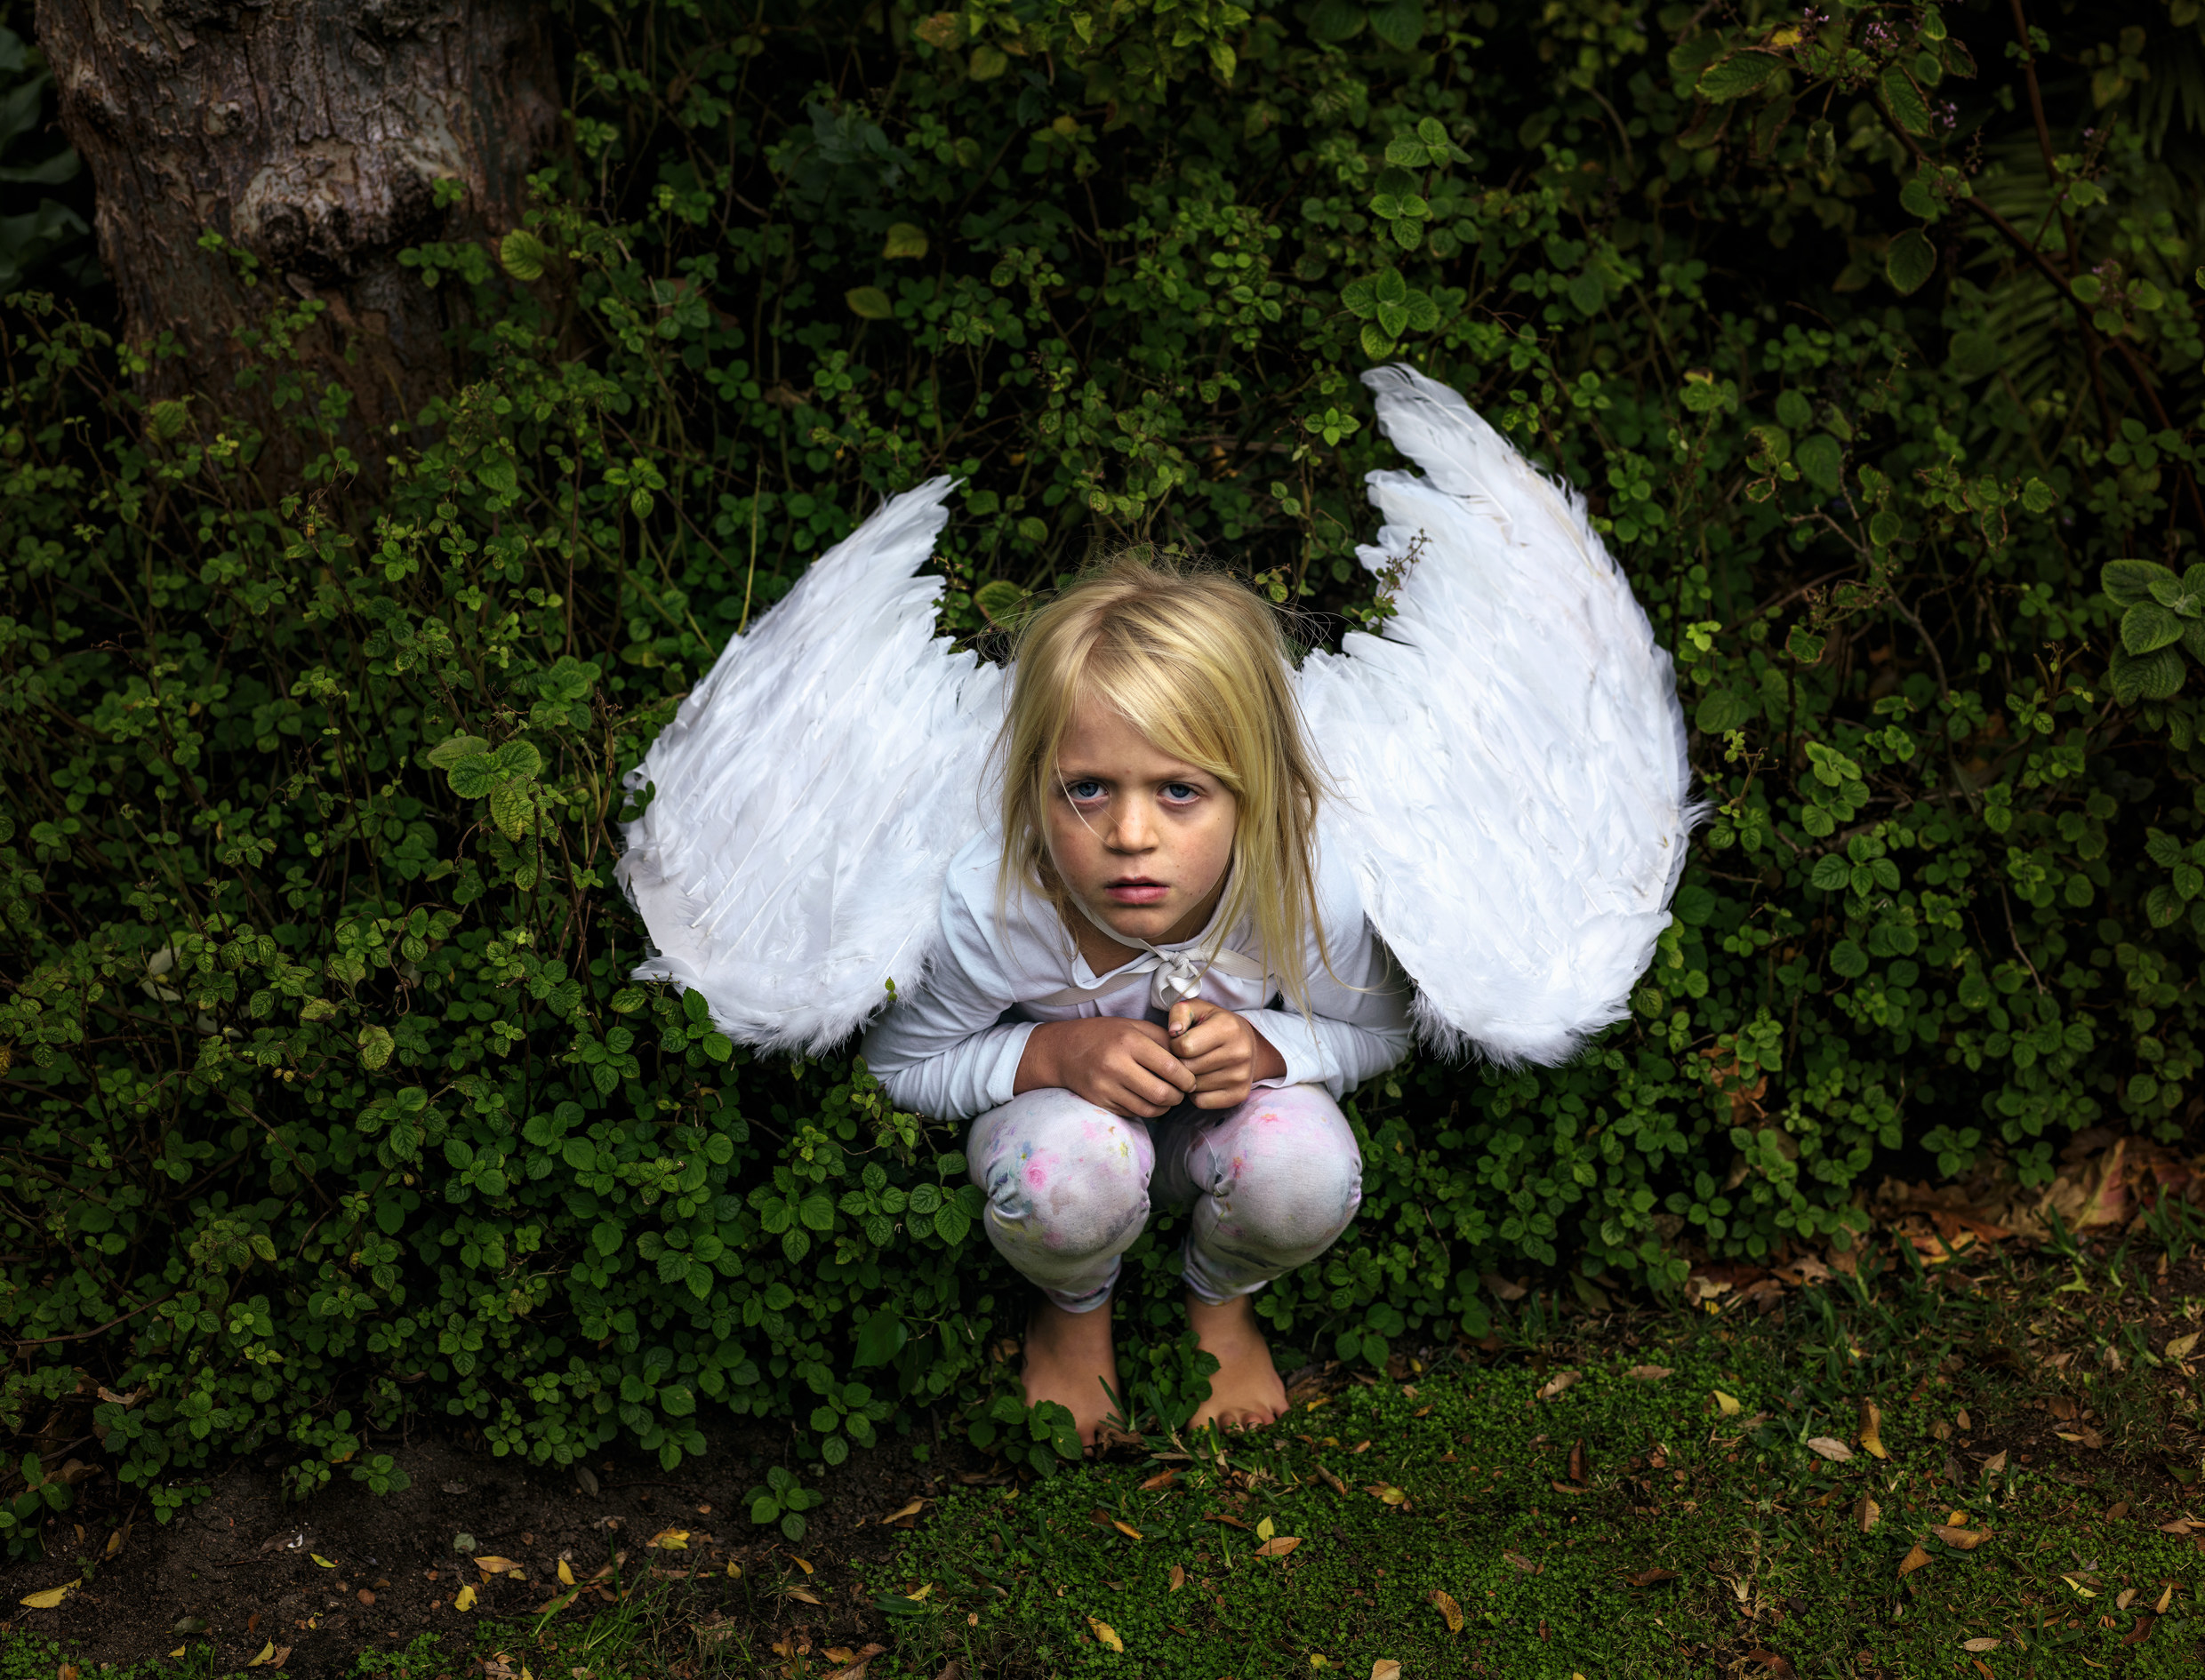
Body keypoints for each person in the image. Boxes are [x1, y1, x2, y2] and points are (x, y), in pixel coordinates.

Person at [862, 556, 1412, 1444]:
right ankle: (1073, 1311)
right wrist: (1048, 1057)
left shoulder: (1299, 885)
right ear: (1035, 785)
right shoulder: (1001, 904)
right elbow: (898, 1065)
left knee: (1304, 1175)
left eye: (1178, 790)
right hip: (1067, 1136)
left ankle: (1220, 1305)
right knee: (1063, 1179)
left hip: (1229, 1126)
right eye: (1086, 789)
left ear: (1254, 793)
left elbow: (1379, 1032)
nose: (1128, 834)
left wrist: (1271, 1048)